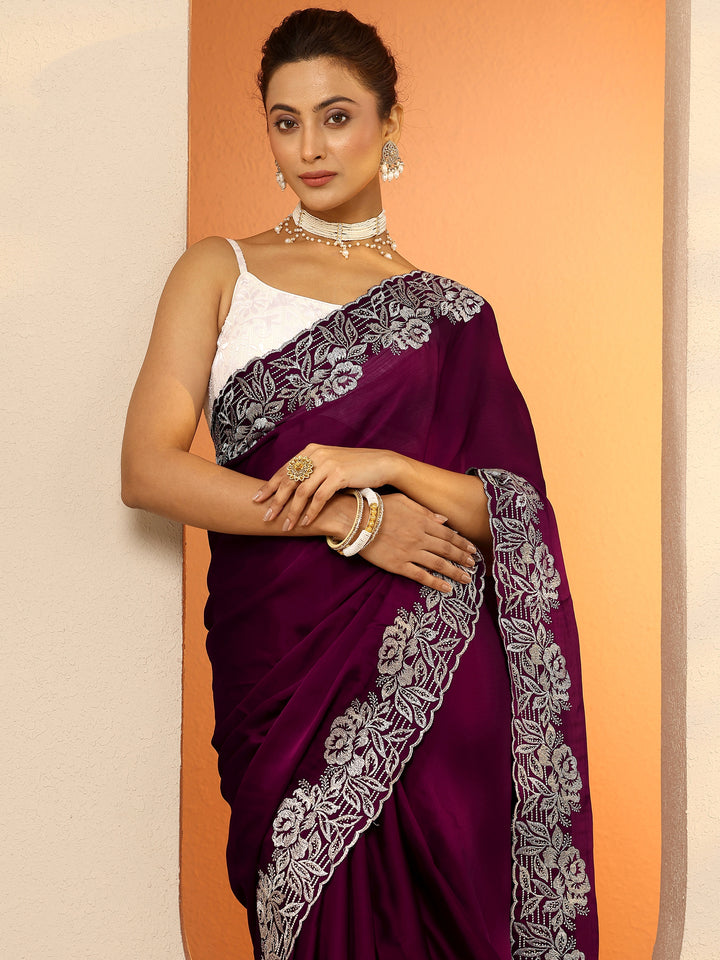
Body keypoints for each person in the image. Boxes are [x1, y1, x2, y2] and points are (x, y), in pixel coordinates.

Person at [121, 8, 598, 960]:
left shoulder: (456, 318)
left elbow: (512, 514)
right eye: (285, 121)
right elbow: (149, 468)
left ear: (390, 122)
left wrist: (388, 468)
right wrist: (354, 521)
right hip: (280, 660)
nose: (310, 147)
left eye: (336, 117)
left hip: (439, 681)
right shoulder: (221, 270)